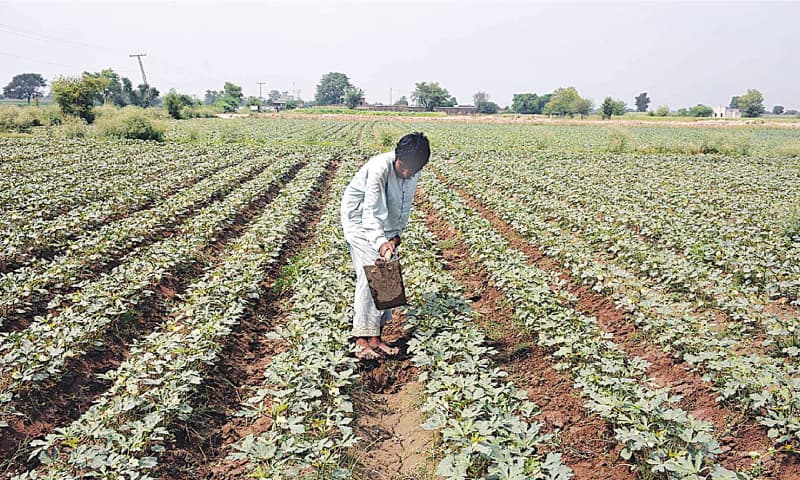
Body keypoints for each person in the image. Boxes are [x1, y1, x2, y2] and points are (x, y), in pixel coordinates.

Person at [340, 132, 431, 359]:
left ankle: (376, 338)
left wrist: (394, 237)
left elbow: (403, 207)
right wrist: (381, 243)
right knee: (373, 272)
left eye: (414, 170)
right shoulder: (380, 168)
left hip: (386, 226)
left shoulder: (413, 170)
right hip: (359, 221)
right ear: (396, 157)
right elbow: (370, 214)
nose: (407, 173)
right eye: (404, 168)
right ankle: (361, 339)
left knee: (387, 274)